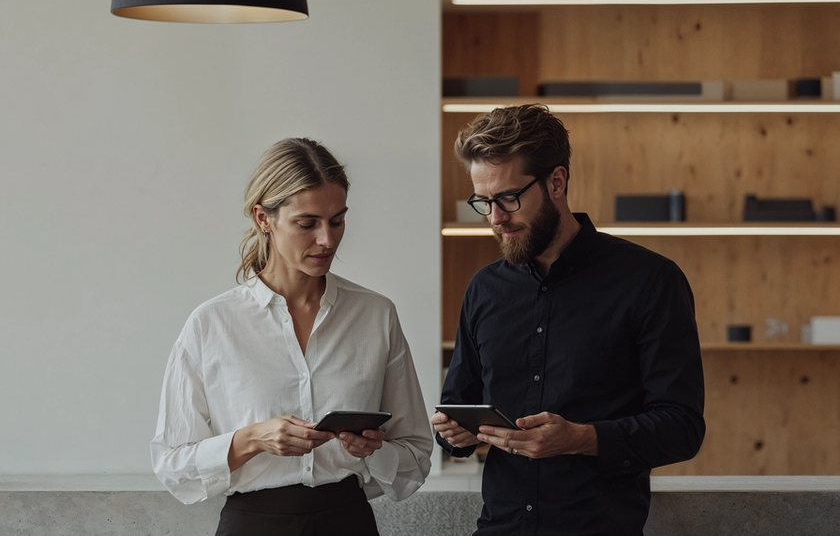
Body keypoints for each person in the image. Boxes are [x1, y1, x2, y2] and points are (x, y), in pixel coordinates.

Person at [431, 104, 705, 536]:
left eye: (508, 198)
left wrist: (579, 438)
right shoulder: (484, 289)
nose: (496, 219)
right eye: (483, 202)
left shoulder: (650, 281)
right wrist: (452, 433)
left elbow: (682, 428)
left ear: (556, 181)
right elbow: (458, 409)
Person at [152, 138, 432, 536]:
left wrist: (374, 451)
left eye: (337, 220)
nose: (327, 240)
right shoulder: (211, 324)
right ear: (264, 218)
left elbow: (416, 453)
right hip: (252, 525)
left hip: (348, 522)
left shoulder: (376, 315)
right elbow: (173, 463)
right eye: (307, 223)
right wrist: (253, 439)